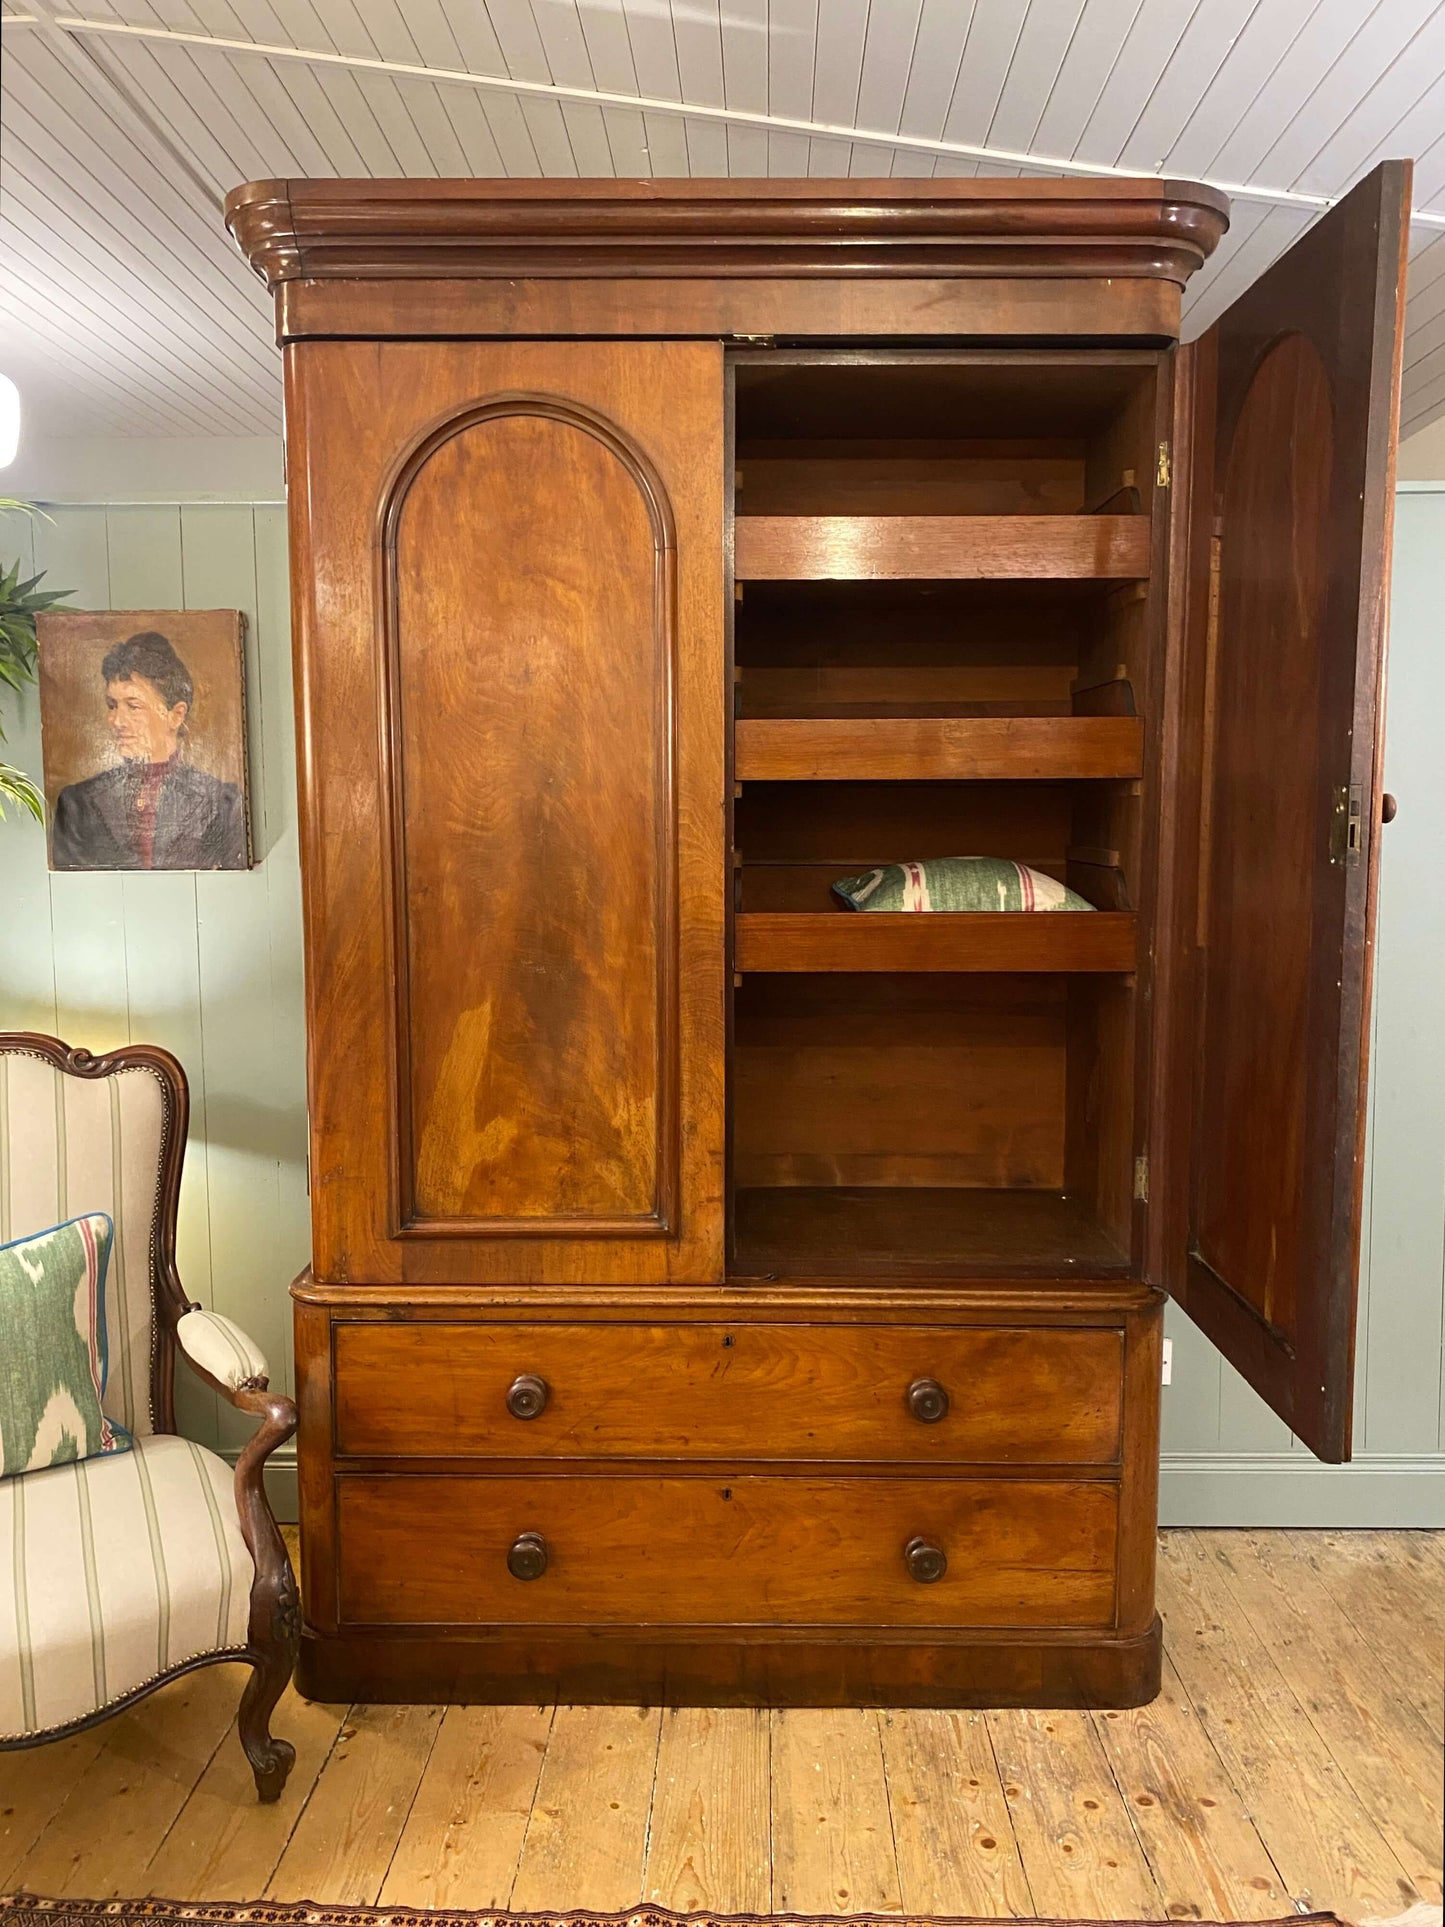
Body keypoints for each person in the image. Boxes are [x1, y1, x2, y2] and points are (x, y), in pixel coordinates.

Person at [50, 630, 247, 870]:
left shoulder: (223, 804)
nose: (116, 720)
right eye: (112, 705)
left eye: (133, 706)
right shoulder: (76, 804)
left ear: (176, 715)